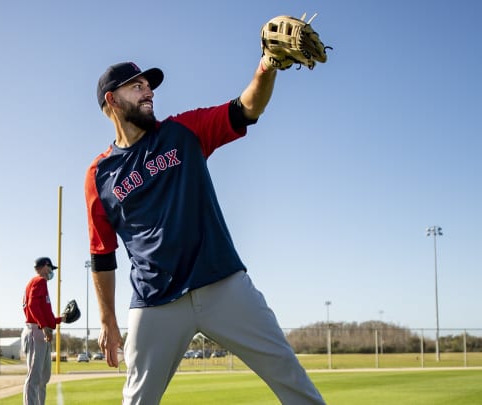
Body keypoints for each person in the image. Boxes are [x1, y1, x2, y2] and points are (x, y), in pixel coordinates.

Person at [84, 57, 326, 405]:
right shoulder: (98, 175)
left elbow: (245, 109)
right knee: (137, 400)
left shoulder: (182, 132)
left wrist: (265, 68)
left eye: (148, 85)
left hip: (222, 285)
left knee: (291, 377)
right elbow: (101, 254)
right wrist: (107, 318)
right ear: (112, 100)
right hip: (155, 301)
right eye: (137, 86)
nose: (148, 91)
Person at [22, 257, 63, 405]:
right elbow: (32, 306)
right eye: (51, 268)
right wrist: (44, 326)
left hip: (41, 330)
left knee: (43, 378)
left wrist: (60, 319)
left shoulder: (40, 283)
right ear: (45, 266)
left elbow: (44, 313)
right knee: (34, 378)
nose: (52, 272)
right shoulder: (39, 281)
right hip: (36, 331)